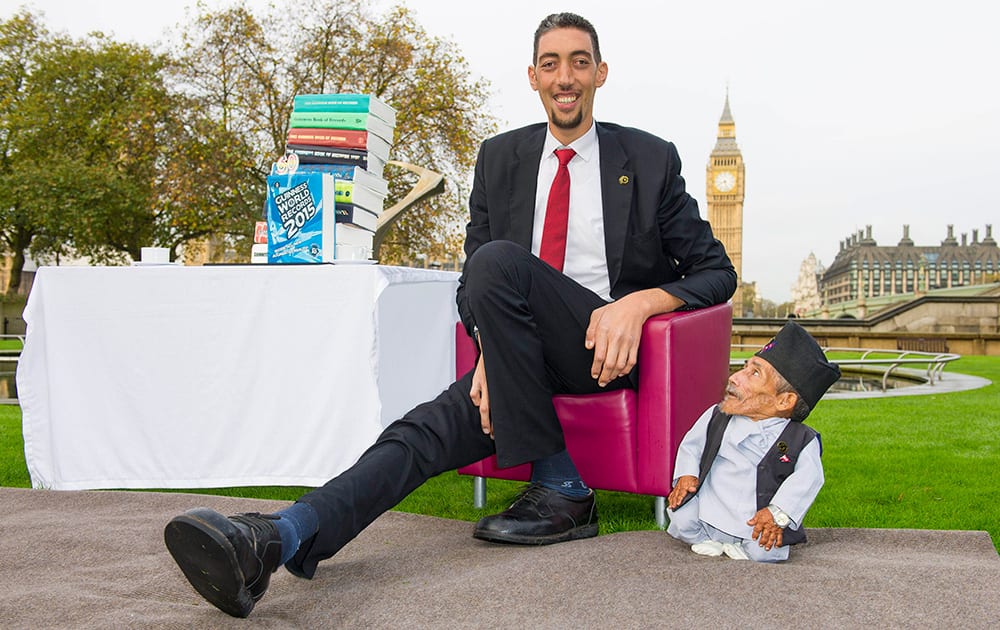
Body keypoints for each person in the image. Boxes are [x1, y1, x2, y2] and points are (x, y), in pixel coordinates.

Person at [164, 12, 736, 617]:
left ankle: (563, 487)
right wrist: (494, 350)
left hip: (603, 350)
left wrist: (642, 303)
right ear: (533, 77)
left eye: (578, 61)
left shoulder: (648, 159)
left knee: (498, 262)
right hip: (523, 359)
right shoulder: (500, 159)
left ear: (600, 73)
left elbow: (716, 272)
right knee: (418, 434)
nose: (564, 76)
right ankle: (274, 541)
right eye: (550, 64)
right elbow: (472, 290)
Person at [666, 321, 841, 562]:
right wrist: (686, 475)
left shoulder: (801, 440)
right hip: (710, 506)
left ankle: (745, 547)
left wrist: (777, 514)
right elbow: (691, 446)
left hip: (754, 518)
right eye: (744, 367)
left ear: (784, 401)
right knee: (682, 519)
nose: (736, 377)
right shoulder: (717, 416)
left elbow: (808, 479)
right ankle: (705, 538)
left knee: (765, 549)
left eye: (754, 373)